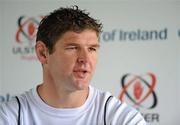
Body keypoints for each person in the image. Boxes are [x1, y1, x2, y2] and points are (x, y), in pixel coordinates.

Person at [0, 6, 147, 125]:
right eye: (73, 48)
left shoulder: (119, 118)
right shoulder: (10, 116)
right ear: (43, 53)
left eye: (92, 49)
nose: (85, 59)